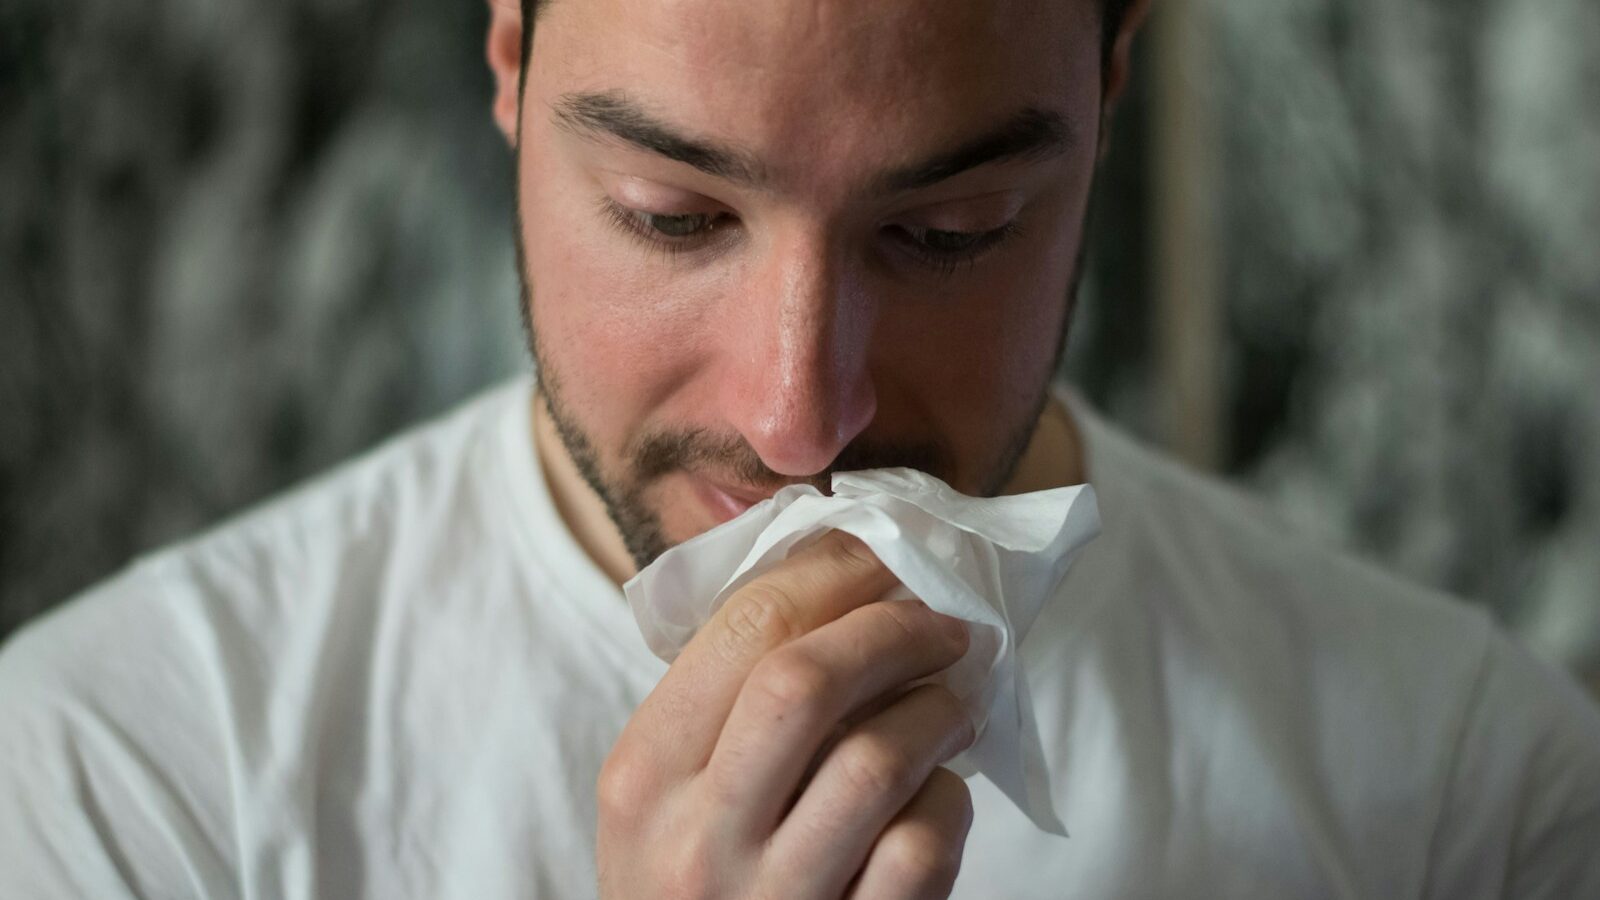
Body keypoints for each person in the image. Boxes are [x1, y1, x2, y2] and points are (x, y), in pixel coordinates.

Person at [3, 0, 1598, 896]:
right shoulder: (121, 788)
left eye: (951, 231)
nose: (800, 417)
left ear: (1107, 98)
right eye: (674, 218)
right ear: (509, 63)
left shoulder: (1469, 793)